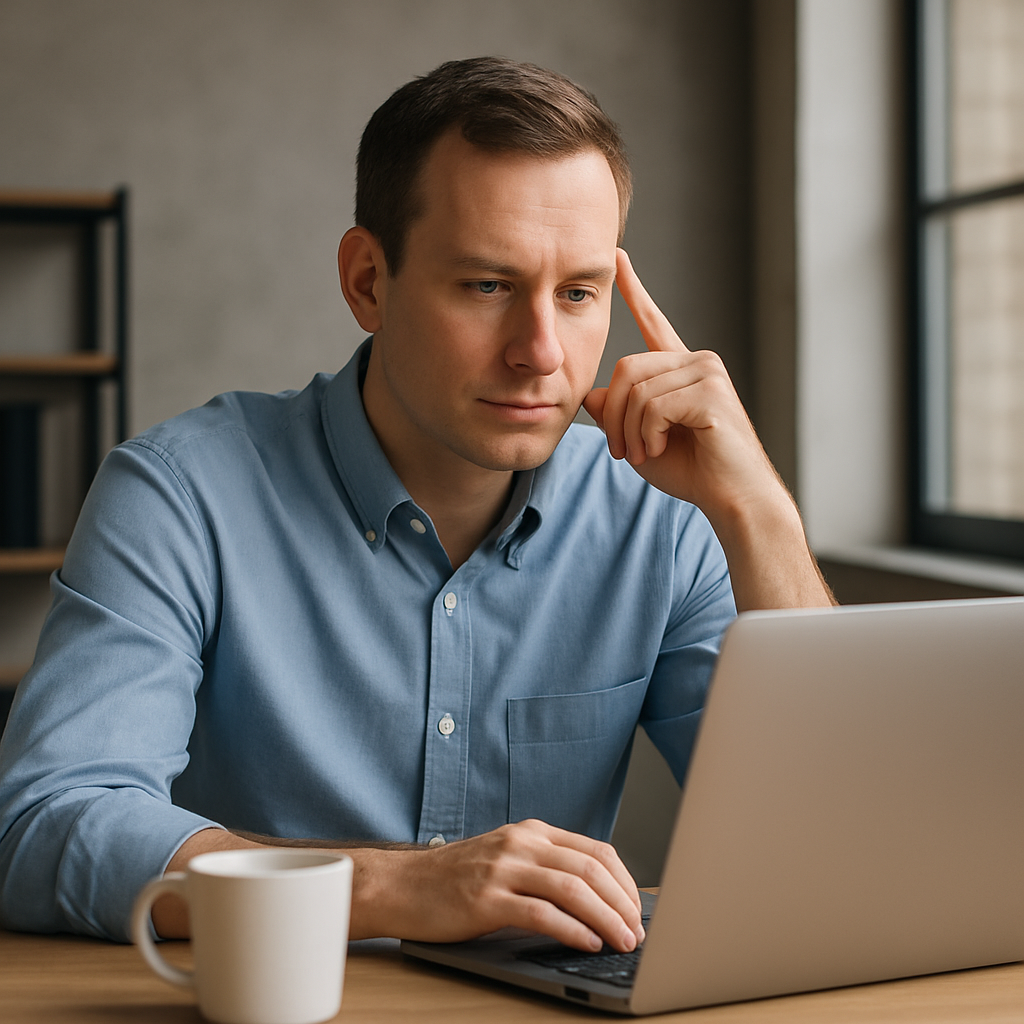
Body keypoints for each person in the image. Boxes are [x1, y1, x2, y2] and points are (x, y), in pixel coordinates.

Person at [0, 57, 832, 950]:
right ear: (367, 281)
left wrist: (759, 511)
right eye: (488, 286)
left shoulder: (663, 519)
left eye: (579, 293)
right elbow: (48, 824)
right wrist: (388, 887)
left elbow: (834, 837)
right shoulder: (180, 493)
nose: (541, 352)